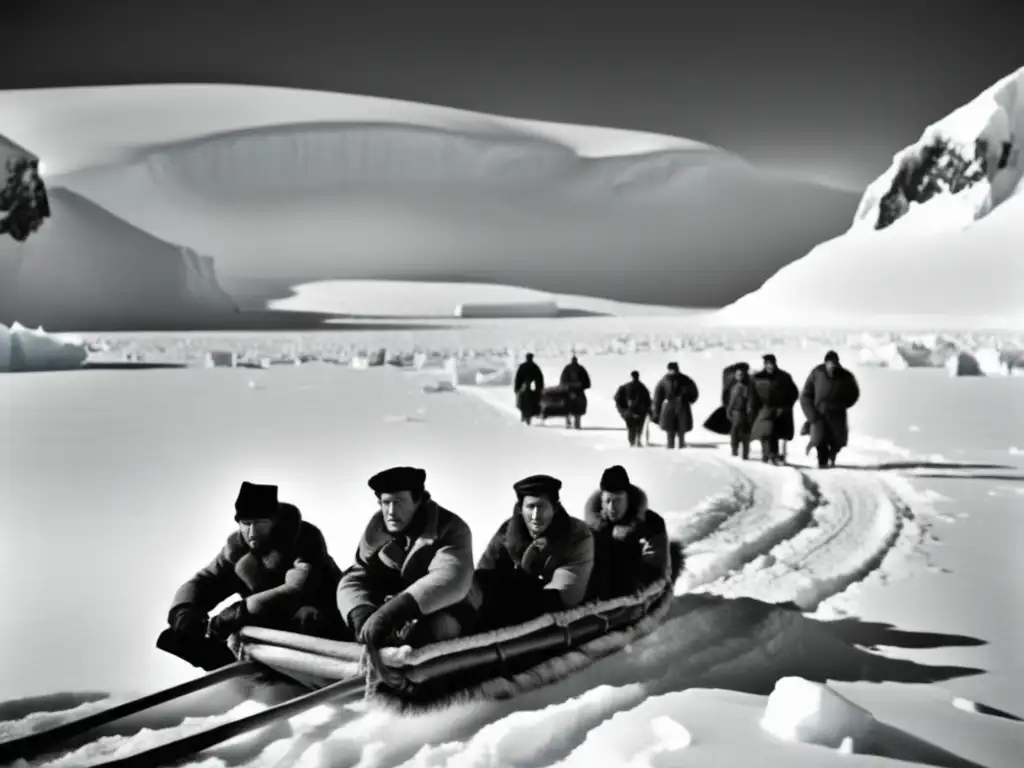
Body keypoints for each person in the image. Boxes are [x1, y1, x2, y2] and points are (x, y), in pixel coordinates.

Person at [158, 482, 344, 671]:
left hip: (328, 626)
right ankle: (230, 665)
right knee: (177, 637)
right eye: (246, 524)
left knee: (306, 616)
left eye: (260, 524)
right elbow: (206, 580)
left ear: (275, 521)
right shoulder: (236, 551)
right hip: (271, 631)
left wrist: (238, 613)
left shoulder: (305, 539)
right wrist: (184, 610)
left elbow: (297, 589)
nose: (252, 533)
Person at [336, 466, 476, 648]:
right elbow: (355, 576)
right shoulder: (375, 532)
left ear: (417, 500)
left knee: (441, 628)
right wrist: (361, 613)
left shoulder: (450, 527)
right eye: (386, 503)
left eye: (399, 502)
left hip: (450, 606)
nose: (391, 512)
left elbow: (450, 578)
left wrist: (392, 612)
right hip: (394, 611)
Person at [470, 474, 595, 630]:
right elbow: (484, 573)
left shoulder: (577, 535)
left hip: (556, 600)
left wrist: (511, 591)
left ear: (555, 508)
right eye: (530, 507)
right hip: (515, 599)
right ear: (520, 508)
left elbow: (566, 596)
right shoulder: (508, 532)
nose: (535, 516)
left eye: (541, 506)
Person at [582, 465, 672, 600]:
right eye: (608, 501)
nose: (612, 507)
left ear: (628, 499)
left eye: (617, 501)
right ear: (601, 502)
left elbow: (656, 565)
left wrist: (638, 580)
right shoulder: (591, 528)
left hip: (634, 575)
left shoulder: (652, 522)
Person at [799, 350, 861, 469]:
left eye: (834, 363)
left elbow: (854, 393)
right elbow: (806, 394)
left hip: (838, 413)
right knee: (820, 439)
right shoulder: (817, 373)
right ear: (825, 363)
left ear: (837, 363)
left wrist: (844, 404)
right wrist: (811, 414)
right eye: (829, 363)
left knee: (837, 440)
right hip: (819, 413)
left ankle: (832, 455)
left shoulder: (845, 376)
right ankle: (822, 463)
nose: (831, 366)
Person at [750, 354, 800, 464]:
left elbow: (794, 393)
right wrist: (754, 409)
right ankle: (767, 455)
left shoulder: (784, 377)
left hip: (780, 410)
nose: (770, 366)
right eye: (768, 364)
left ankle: (772, 455)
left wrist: (786, 406)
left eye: (771, 364)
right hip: (764, 409)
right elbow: (752, 396)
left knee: (775, 433)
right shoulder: (758, 378)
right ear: (764, 364)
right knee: (765, 433)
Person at [651, 362, 700, 449]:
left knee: (680, 428)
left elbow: (694, 393)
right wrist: (656, 410)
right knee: (670, 429)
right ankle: (671, 446)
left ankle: (680, 445)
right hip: (672, 406)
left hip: (680, 405)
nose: (673, 371)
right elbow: (658, 396)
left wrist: (689, 400)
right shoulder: (669, 380)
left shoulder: (669, 380)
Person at [725, 365, 756, 460]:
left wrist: (748, 413)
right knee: (736, 433)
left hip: (741, 412)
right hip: (736, 412)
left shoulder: (745, 387)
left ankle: (743, 454)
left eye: (741, 375)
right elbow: (731, 400)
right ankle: (736, 452)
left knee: (741, 433)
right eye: (738, 375)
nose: (739, 376)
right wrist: (729, 410)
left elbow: (748, 401)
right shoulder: (734, 386)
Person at [614, 370, 652, 447]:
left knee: (631, 428)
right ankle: (637, 441)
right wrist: (649, 410)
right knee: (638, 428)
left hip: (629, 412)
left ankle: (632, 443)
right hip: (640, 412)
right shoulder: (643, 388)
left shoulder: (625, 387)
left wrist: (622, 410)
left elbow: (617, 398)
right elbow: (648, 400)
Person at [558, 355, 592, 429]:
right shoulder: (580, 368)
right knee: (577, 407)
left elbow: (562, 381)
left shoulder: (569, 368)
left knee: (568, 406)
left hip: (572, 391)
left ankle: (570, 422)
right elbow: (587, 383)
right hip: (575, 391)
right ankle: (574, 423)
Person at [514, 353, 545, 425]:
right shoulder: (534, 366)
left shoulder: (527, 366)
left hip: (528, 388)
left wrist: (538, 389)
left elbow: (539, 379)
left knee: (525, 403)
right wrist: (539, 389)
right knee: (524, 403)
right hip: (526, 388)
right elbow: (518, 378)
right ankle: (526, 417)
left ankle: (526, 417)